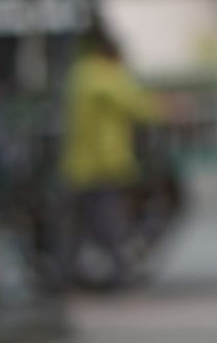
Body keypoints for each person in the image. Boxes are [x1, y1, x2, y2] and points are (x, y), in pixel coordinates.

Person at [60, 24, 161, 289]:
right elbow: (138, 107)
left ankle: (67, 274)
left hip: (79, 163)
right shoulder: (104, 77)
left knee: (79, 224)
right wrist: (171, 109)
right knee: (110, 221)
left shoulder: (79, 74)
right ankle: (118, 273)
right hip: (104, 163)